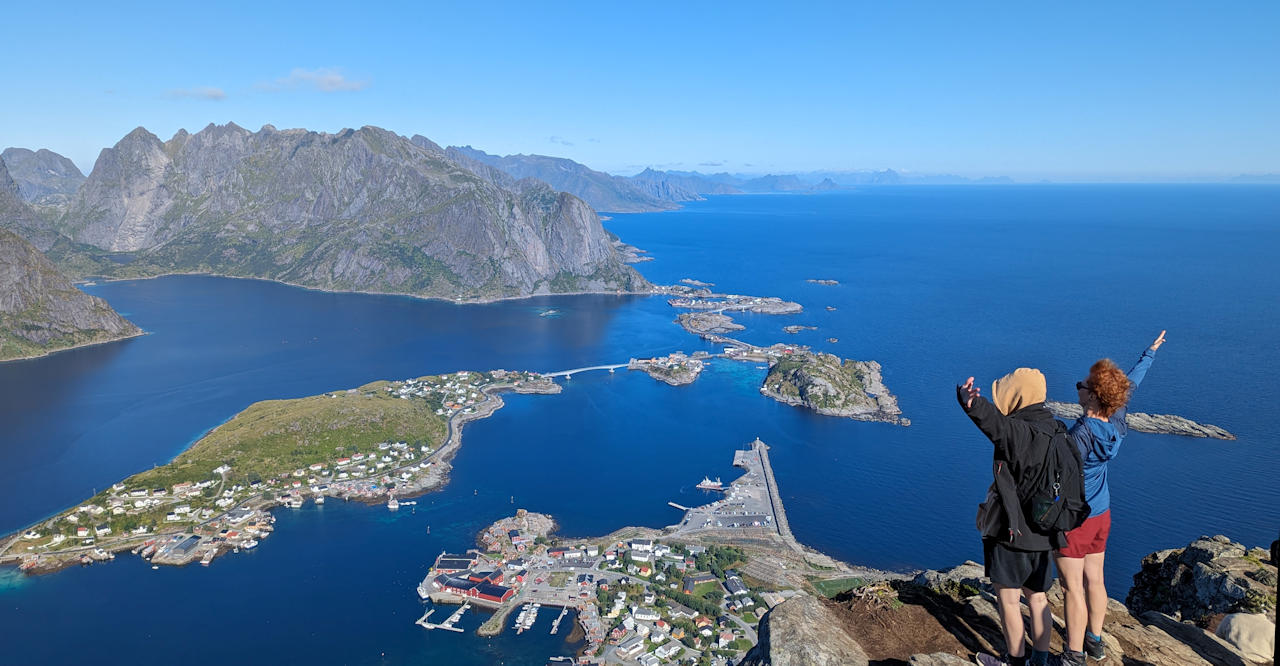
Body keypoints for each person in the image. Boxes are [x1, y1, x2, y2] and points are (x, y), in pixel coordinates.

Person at [1055, 330, 1166, 665]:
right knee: (1096, 579)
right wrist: (1149, 353)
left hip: (1075, 518)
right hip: (1101, 514)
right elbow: (1130, 384)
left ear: (1093, 397)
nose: (1078, 386)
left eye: (1083, 385)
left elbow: (1055, 470)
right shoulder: (1116, 418)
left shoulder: (1082, 434)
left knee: (1072, 589)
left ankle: (1073, 654)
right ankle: (1095, 640)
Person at [958, 368, 1068, 666]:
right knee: (1038, 598)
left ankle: (1016, 661)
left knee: (1008, 600)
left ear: (1018, 395)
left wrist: (970, 401)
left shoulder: (1020, 432)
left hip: (1012, 532)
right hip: (1045, 532)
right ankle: (1041, 661)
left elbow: (994, 425)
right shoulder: (1058, 431)